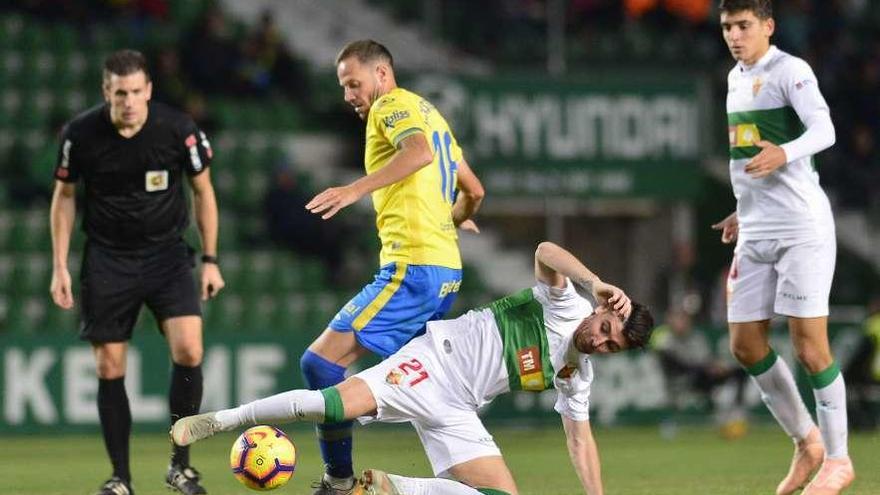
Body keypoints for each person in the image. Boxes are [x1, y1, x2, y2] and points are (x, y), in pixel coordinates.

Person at [172, 241, 654, 495]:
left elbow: (579, 439)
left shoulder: (575, 374)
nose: (602, 341)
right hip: (431, 364)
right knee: (332, 405)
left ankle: (392, 487)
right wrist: (592, 280)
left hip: (460, 408)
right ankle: (226, 419)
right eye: (607, 328)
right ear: (601, 311)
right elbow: (545, 251)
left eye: (612, 347)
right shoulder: (564, 303)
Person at [300, 40, 485, 494]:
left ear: (381, 74)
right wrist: (455, 218)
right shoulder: (433, 113)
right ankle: (469, 477)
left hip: (413, 269)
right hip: (445, 271)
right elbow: (475, 190)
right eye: (343, 86)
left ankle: (339, 480)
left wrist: (354, 190)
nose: (348, 94)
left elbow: (419, 153)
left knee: (320, 364)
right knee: (427, 385)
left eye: (353, 83)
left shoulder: (392, 106)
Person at [49, 49, 224, 495]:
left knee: (189, 350)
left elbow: (203, 192)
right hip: (107, 259)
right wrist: (59, 266)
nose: (127, 101)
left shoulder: (179, 130)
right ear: (106, 92)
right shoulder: (80, 134)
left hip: (167, 255)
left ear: (148, 90)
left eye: (135, 92)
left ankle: (180, 466)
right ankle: (120, 478)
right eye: (118, 93)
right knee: (110, 366)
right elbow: (64, 197)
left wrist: (210, 259)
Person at [712, 1, 853, 494]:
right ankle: (806, 441)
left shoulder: (790, 70)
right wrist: (741, 208)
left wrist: (785, 152)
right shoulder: (734, 78)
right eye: (727, 26)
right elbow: (749, 150)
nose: (735, 34)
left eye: (744, 25)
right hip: (755, 228)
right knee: (745, 344)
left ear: (767, 26)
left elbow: (825, 130)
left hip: (800, 229)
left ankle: (838, 460)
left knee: (810, 348)